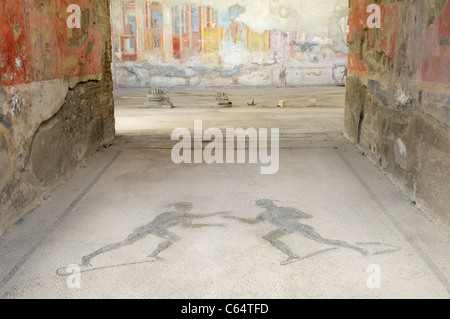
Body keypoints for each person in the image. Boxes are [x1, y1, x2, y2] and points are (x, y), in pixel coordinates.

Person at [81, 202, 229, 267]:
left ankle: (154, 253)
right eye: (185, 208)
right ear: (180, 208)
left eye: (187, 209)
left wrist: (214, 222)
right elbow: (155, 225)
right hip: (146, 229)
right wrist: (216, 216)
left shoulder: (182, 216)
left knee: (174, 237)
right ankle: (89, 256)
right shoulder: (171, 214)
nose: (186, 211)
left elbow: (195, 223)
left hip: (153, 229)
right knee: (123, 243)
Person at [225, 199, 368, 265]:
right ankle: (292, 255)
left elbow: (306, 216)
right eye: (262, 205)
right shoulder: (265, 215)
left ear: (270, 204)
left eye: (263, 204)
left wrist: (294, 215)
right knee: (269, 237)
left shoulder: (286, 209)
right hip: (286, 229)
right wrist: (235, 218)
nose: (263, 206)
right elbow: (252, 222)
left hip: (297, 227)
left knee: (321, 240)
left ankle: (356, 248)